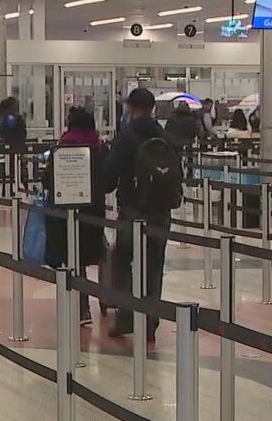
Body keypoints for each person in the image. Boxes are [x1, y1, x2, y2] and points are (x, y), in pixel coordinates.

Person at [105, 88, 183, 341]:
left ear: (130, 108)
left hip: (133, 210)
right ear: (152, 109)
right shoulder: (165, 137)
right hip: (161, 212)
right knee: (154, 265)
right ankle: (150, 322)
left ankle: (126, 316)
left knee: (121, 259)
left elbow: (109, 176)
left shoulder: (126, 137)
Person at [42, 107, 108, 325]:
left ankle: (78, 308)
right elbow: (107, 182)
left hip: (65, 211)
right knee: (93, 255)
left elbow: (47, 181)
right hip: (93, 213)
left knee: (71, 258)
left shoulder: (61, 148)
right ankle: (99, 302)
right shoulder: (100, 149)